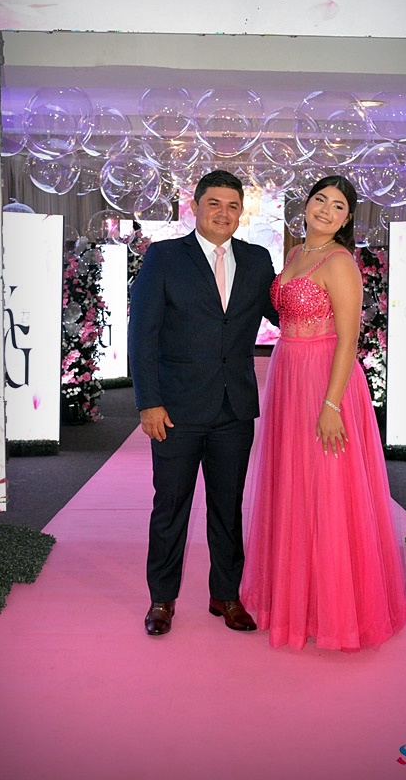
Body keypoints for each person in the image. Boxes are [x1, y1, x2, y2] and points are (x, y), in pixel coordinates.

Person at [240, 175, 406, 651]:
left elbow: (349, 339)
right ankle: (295, 598)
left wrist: (332, 404)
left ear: (347, 218)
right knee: (294, 484)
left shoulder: (340, 261)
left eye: (338, 206)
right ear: (307, 205)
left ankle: (337, 610)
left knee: (329, 489)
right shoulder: (296, 253)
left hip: (324, 379)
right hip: (288, 373)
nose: (326, 210)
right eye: (320, 200)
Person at [128, 169, 278, 637]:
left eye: (233, 206)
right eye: (214, 203)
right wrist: (148, 403)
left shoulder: (257, 260)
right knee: (170, 507)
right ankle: (161, 600)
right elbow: (142, 334)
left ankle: (226, 596)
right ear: (195, 207)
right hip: (175, 410)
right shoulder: (165, 257)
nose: (223, 213)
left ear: (241, 213)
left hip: (235, 410)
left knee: (228, 509)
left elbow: (287, 313)